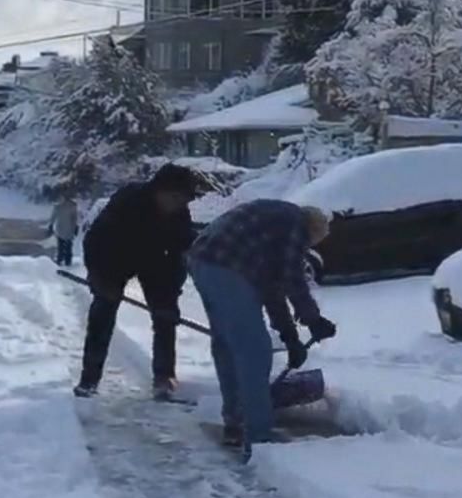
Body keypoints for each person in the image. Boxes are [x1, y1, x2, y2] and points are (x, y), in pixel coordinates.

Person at [186, 199, 337, 458]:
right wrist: (313, 320)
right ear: (312, 231)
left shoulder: (276, 223)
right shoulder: (295, 225)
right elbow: (292, 277)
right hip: (226, 266)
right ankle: (258, 434)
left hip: (202, 262)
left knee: (228, 345)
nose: (307, 248)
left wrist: (290, 337)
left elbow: (272, 289)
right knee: (254, 350)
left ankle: (235, 422)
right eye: (311, 243)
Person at [77, 163, 200, 399]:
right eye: (174, 197)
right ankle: (89, 379)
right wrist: (98, 277)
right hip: (114, 259)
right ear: (159, 190)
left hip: (156, 262)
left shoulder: (179, 212)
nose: (178, 203)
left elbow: (180, 252)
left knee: (165, 318)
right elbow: (94, 240)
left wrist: (172, 291)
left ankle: (164, 378)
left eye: (183, 199)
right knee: (102, 313)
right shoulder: (128, 201)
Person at [50, 192, 79, 267]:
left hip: (61, 229)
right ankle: (67, 261)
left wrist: (51, 224)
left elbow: (53, 216)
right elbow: (75, 218)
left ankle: (60, 260)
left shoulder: (58, 206)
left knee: (61, 246)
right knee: (68, 245)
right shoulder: (72, 205)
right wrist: (76, 227)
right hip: (69, 229)